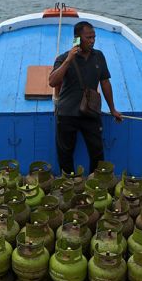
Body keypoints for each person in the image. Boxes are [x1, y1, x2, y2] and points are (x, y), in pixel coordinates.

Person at [48, 20, 123, 175]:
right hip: (67, 113)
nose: (92, 41)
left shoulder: (99, 56)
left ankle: (94, 183)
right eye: (88, 37)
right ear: (77, 38)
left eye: (94, 37)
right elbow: (52, 81)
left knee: (97, 152)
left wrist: (112, 109)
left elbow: (105, 82)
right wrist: (69, 60)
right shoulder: (63, 58)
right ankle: (69, 183)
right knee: (65, 153)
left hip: (90, 112)